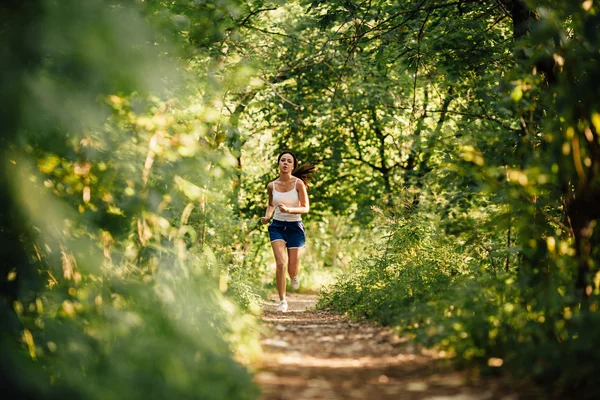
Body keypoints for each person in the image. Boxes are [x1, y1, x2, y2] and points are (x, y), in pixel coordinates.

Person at [261, 151, 316, 312]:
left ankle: (293, 276)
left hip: (295, 227)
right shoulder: (271, 185)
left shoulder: (298, 184)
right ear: (278, 164)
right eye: (282, 160)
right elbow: (271, 204)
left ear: (293, 165)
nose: (285, 163)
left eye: (288, 161)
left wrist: (290, 210)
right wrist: (267, 216)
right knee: (281, 263)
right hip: (277, 226)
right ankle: (282, 301)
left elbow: (305, 208)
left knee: (292, 268)